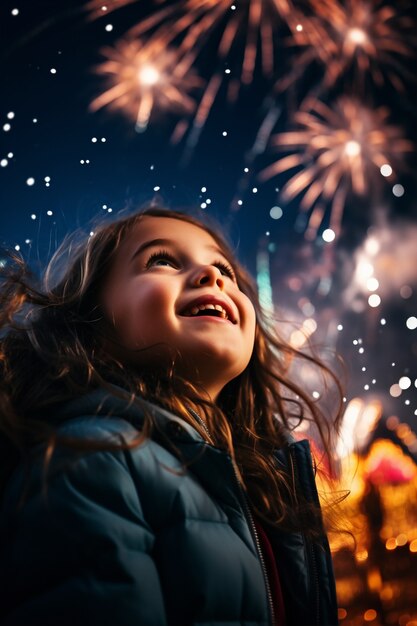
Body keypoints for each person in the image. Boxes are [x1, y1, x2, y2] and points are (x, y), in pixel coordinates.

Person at [0, 206, 343, 626]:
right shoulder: (90, 458)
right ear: (92, 323)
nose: (211, 275)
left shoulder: (259, 486)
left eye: (224, 269)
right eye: (161, 260)